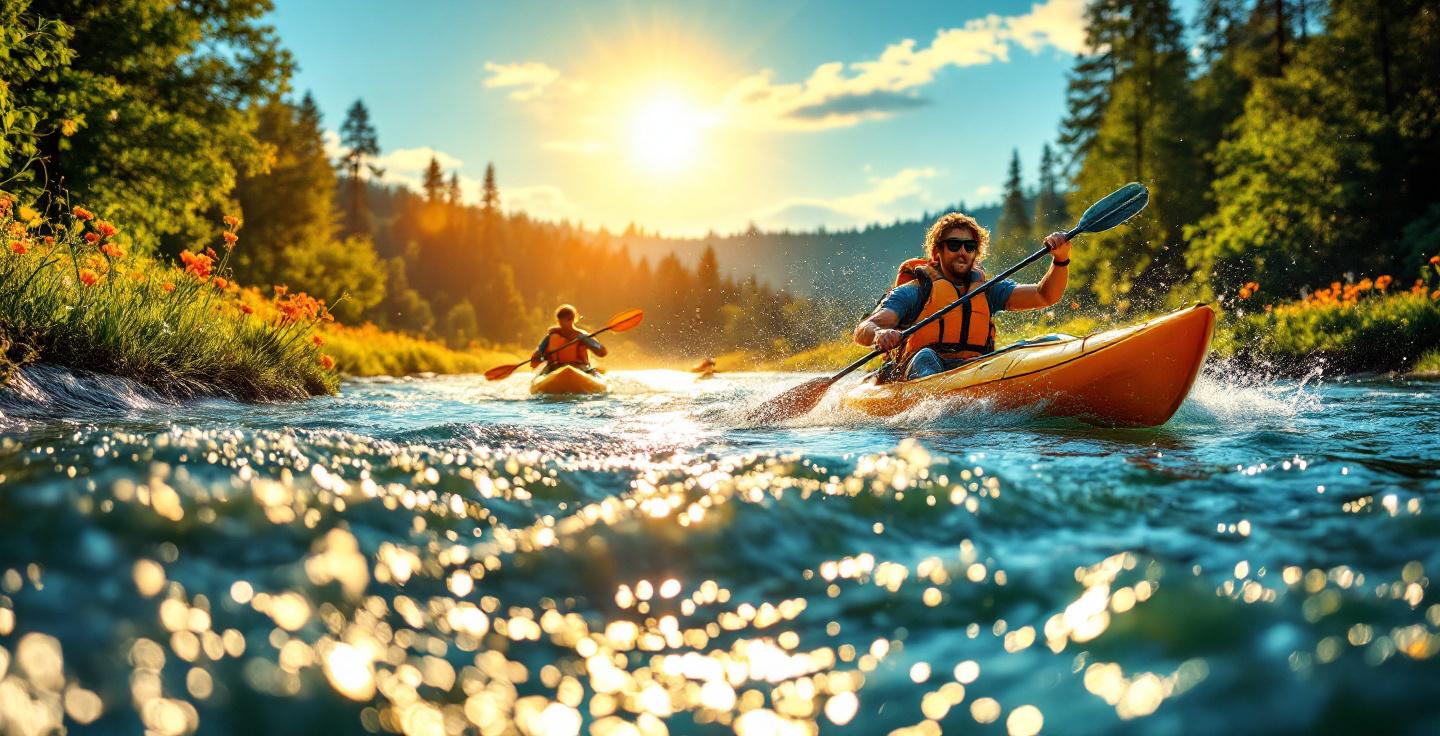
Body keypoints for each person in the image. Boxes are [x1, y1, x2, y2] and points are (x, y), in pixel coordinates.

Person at [853, 212, 1072, 381]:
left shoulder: (986, 290)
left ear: (976, 252)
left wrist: (1060, 260)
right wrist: (879, 334)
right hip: (920, 372)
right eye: (954, 245)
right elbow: (864, 328)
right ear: (937, 252)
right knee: (925, 356)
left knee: (1051, 340)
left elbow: (1044, 296)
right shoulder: (914, 292)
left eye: (970, 246)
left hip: (974, 369)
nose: (962, 252)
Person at [531, 304, 607, 375]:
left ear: (573, 319)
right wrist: (540, 358)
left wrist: (589, 342)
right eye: (560, 320)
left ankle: (593, 373)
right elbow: (538, 355)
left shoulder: (582, 336)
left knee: (589, 370)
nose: (562, 324)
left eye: (565, 320)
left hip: (580, 368)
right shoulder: (551, 336)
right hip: (555, 368)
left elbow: (602, 352)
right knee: (545, 369)